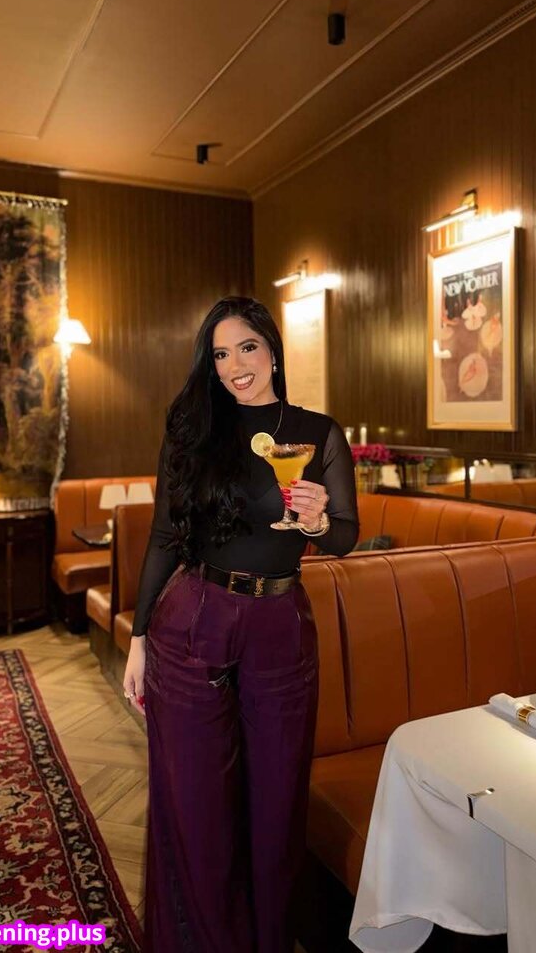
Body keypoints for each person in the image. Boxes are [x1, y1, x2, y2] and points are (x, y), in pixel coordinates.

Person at [123, 295, 358, 953]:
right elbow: (164, 537)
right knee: (199, 807)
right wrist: (138, 640)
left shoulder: (317, 432)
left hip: (280, 624)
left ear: (272, 350)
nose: (234, 366)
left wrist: (315, 521)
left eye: (246, 348)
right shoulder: (194, 431)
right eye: (220, 354)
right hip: (193, 621)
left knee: (277, 805)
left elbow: (344, 536)